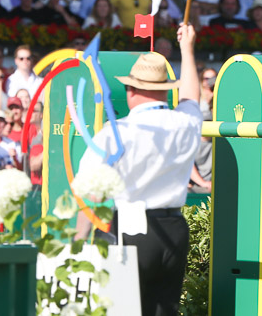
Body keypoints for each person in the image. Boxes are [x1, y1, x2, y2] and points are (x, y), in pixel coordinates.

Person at [76, 24, 202, 316]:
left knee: (121, 310)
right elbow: (191, 99)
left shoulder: (115, 132)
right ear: (165, 91)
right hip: (174, 228)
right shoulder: (186, 123)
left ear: (130, 90)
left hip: (130, 229)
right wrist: (187, 49)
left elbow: (90, 192)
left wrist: (77, 243)